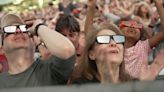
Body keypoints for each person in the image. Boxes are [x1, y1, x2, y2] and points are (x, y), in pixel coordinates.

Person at [0, 13, 76, 88]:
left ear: (33, 41)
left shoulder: (50, 68)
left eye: (23, 28)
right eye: (9, 29)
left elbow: (67, 50)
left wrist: (38, 27)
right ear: (2, 48)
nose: (18, 31)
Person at [118, 0, 164, 79]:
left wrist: (159, 5)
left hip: (141, 85)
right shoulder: (113, 46)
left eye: (137, 26)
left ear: (141, 34)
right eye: (127, 24)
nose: (132, 26)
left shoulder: (143, 46)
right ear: (118, 30)